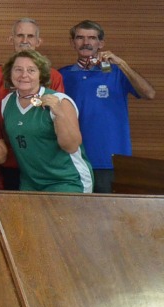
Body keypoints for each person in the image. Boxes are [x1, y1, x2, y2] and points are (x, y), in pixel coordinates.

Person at [59, 20, 156, 193]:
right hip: (73, 160)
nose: (86, 42)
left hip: (110, 160)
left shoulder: (117, 72)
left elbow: (149, 93)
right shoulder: (61, 75)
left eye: (92, 38)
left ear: (101, 43)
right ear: (72, 43)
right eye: (80, 38)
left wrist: (122, 64)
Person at [0, 18, 66, 189]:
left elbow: (59, 117)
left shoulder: (53, 76)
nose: (25, 40)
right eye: (20, 35)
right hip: (7, 157)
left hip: (42, 159)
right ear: (11, 39)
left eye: (30, 36)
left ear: (38, 41)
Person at [1, 50, 92, 193]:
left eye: (31, 70)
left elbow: (71, 146)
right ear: (10, 73)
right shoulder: (6, 102)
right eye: (18, 69)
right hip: (30, 182)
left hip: (66, 180)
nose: (24, 75)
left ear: (41, 74)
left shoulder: (60, 100)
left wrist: (60, 114)